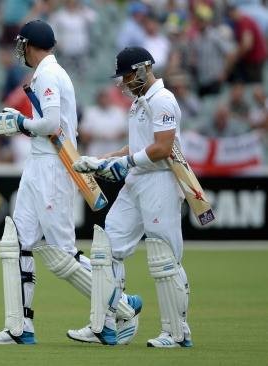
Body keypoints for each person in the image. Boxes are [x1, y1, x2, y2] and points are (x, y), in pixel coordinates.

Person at [0, 20, 141, 345]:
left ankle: (122, 305)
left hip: (54, 165)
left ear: (28, 45)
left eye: (20, 44)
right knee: (18, 244)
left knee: (60, 254)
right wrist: (22, 124)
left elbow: (52, 124)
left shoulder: (50, 75)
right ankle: (19, 328)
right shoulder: (44, 74)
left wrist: (19, 122)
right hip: (39, 163)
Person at [72, 47, 193, 347]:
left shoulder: (162, 100)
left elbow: (163, 148)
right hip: (136, 182)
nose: (123, 83)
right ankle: (107, 325)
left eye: (127, 75)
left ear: (141, 70)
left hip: (160, 182)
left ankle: (177, 334)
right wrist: (103, 160)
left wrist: (124, 164)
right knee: (106, 248)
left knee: (164, 258)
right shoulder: (139, 103)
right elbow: (137, 145)